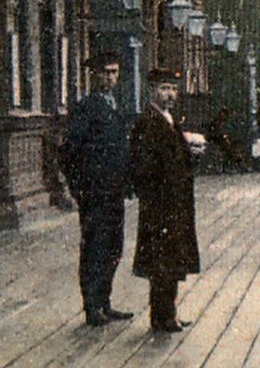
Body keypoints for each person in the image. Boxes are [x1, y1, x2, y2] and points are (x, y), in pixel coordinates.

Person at [63, 51, 134, 324]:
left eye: (114, 72)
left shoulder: (116, 105)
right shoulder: (85, 108)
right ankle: (92, 306)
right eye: (105, 72)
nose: (110, 77)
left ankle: (105, 302)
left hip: (114, 190)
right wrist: (80, 190)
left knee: (113, 247)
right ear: (94, 75)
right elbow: (70, 152)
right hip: (94, 193)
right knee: (95, 247)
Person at [131, 68, 200, 333]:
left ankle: (168, 312)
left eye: (173, 88)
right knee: (162, 262)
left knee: (170, 260)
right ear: (152, 91)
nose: (169, 94)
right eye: (164, 88)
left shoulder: (169, 119)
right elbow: (144, 166)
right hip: (161, 205)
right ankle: (162, 317)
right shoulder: (148, 122)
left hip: (174, 204)